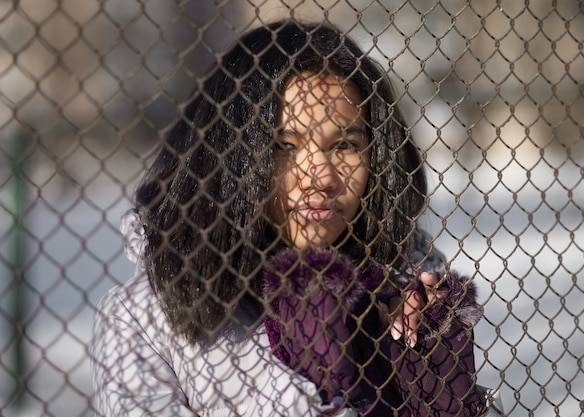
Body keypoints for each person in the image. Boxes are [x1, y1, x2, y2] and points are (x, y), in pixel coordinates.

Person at [91, 19, 486, 417]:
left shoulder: (404, 297)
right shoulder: (143, 317)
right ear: (227, 154)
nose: (322, 177)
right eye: (284, 145)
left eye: (345, 144)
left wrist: (455, 401)